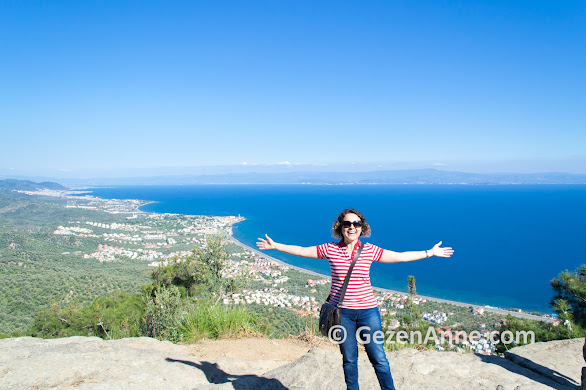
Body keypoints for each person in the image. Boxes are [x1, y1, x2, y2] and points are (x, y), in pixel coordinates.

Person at [256, 208, 454, 390]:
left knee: (379, 358)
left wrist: (430, 253)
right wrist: (276, 246)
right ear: (340, 228)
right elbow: (300, 250)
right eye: (347, 224)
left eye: (356, 224)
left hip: (368, 312)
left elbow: (399, 256)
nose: (352, 227)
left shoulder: (369, 250)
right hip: (343, 315)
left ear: (362, 228)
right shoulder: (329, 249)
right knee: (349, 359)